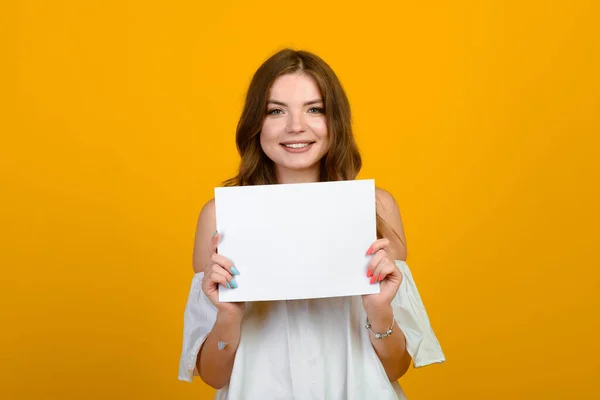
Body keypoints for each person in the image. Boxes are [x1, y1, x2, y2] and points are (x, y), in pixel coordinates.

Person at [178, 48, 445, 399]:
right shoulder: (220, 216)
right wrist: (228, 314)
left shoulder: (375, 207)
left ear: (335, 120)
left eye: (314, 109)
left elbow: (395, 368)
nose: (295, 126)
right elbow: (214, 376)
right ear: (256, 123)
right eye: (276, 111)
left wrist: (379, 310)